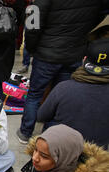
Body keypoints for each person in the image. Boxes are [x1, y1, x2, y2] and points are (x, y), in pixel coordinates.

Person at [16, 0, 104, 144]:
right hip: (73, 52)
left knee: (34, 95)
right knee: (63, 96)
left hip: (46, 54)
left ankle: (26, 132)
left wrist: (31, 48)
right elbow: (101, 13)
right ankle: (52, 135)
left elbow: (32, 24)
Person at [37, 37, 109, 149]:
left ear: (84, 60)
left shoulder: (63, 88)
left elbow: (41, 116)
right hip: (99, 157)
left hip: (62, 152)